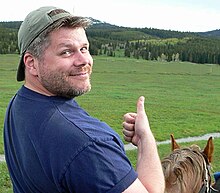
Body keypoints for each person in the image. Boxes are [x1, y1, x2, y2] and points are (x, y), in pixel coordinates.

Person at [4, 6, 165, 193]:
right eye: (66, 52)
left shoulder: (19, 103)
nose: (84, 60)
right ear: (31, 64)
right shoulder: (88, 143)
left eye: (84, 48)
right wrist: (146, 140)